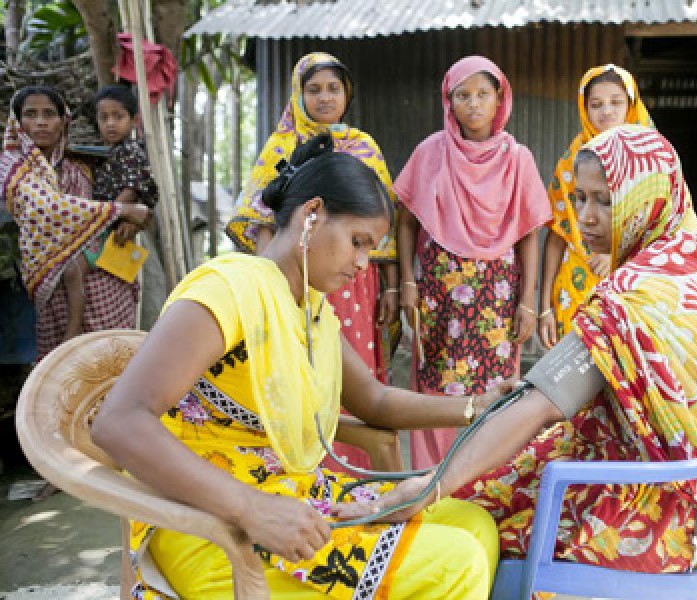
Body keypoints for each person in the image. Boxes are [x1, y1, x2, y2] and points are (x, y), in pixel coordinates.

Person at [92, 134, 505, 599]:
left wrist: (478, 406)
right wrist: (252, 509)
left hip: (288, 495)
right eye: (358, 242)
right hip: (214, 519)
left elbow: (374, 400)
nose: (363, 264)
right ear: (311, 215)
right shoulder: (231, 288)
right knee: (455, 564)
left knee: (473, 523)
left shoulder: (309, 309)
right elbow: (118, 422)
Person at [338, 125, 697, 574]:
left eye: (606, 201)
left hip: (664, 504)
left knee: (471, 524)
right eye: (580, 198)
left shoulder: (641, 297)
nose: (585, 218)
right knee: (483, 487)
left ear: (649, 198)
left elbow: (541, 404)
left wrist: (428, 488)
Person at [226, 52, 398, 470]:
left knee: (352, 371)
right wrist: (271, 280)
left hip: (358, 283)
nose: (324, 98)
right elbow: (261, 219)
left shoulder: (364, 147)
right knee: (300, 367)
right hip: (299, 277)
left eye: (333, 88)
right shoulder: (282, 147)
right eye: (313, 89)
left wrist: (391, 286)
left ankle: (355, 469)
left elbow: (384, 226)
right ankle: (309, 467)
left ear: (347, 94)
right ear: (298, 95)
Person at [395, 56, 551, 470]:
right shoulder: (430, 152)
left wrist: (528, 302)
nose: (474, 105)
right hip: (438, 295)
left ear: (500, 98)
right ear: (448, 101)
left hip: (496, 299)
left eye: (483, 94)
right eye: (463, 95)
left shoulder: (518, 159)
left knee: (493, 391)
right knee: (435, 389)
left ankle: (482, 483)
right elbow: (406, 222)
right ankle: (431, 478)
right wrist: (408, 281)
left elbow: (528, 237)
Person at [0, 86, 149, 360]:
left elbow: (137, 190)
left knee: (111, 366)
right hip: (50, 274)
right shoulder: (12, 168)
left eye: (49, 114)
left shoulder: (81, 165)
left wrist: (130, 220)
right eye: (31, 115)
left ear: (62, 121)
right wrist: (121, 210)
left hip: (106, 273)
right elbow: (49, 207)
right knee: (62, 369)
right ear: (18, 124)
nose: (41, 121)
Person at [539, 64, 651, 349]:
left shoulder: (651, 158)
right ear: (584, 108)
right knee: (575, 388)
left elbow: (666, 226)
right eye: (596, 104)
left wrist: (615, 252)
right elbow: (557, 234)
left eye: (616, 102)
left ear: (631, 104)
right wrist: (544, 308)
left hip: (633, 287)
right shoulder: (571, 159)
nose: (607, 112)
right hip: (574, 291)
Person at [60, 84, 158, 342]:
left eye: (118, 117)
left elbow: (132, 189)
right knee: (79, 270)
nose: (111, 124)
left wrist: (109, 214)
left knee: (77, 269)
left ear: (134, 120)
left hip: (109, 226)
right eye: (104, 118)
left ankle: (74, 326)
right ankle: (77, 323)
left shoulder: (130, 151)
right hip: (107, 222)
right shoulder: (107, 153)